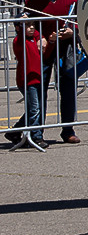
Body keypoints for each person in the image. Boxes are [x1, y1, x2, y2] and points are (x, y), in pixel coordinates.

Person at [27, 0, 78, 144]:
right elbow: (26, 24)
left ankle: (68, 129)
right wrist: (38, 37)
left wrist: (73, 31)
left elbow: (85, 17)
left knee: (68, 88)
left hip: (67, 47)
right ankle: (36, 133)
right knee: (39, 89)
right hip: (45, 49)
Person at [5, 22, 46, 150]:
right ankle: (36, 136)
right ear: (19, 28)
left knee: (34, 109)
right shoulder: (19, 41)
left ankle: (14, 131)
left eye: (33, 25)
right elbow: (20, 36)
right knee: (34, 109)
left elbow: (38, 35)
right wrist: (22, 22)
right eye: (28, 26)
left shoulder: (34, 38)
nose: (32, 28)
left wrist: (42, 38)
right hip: (27, 81)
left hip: (37, 78)